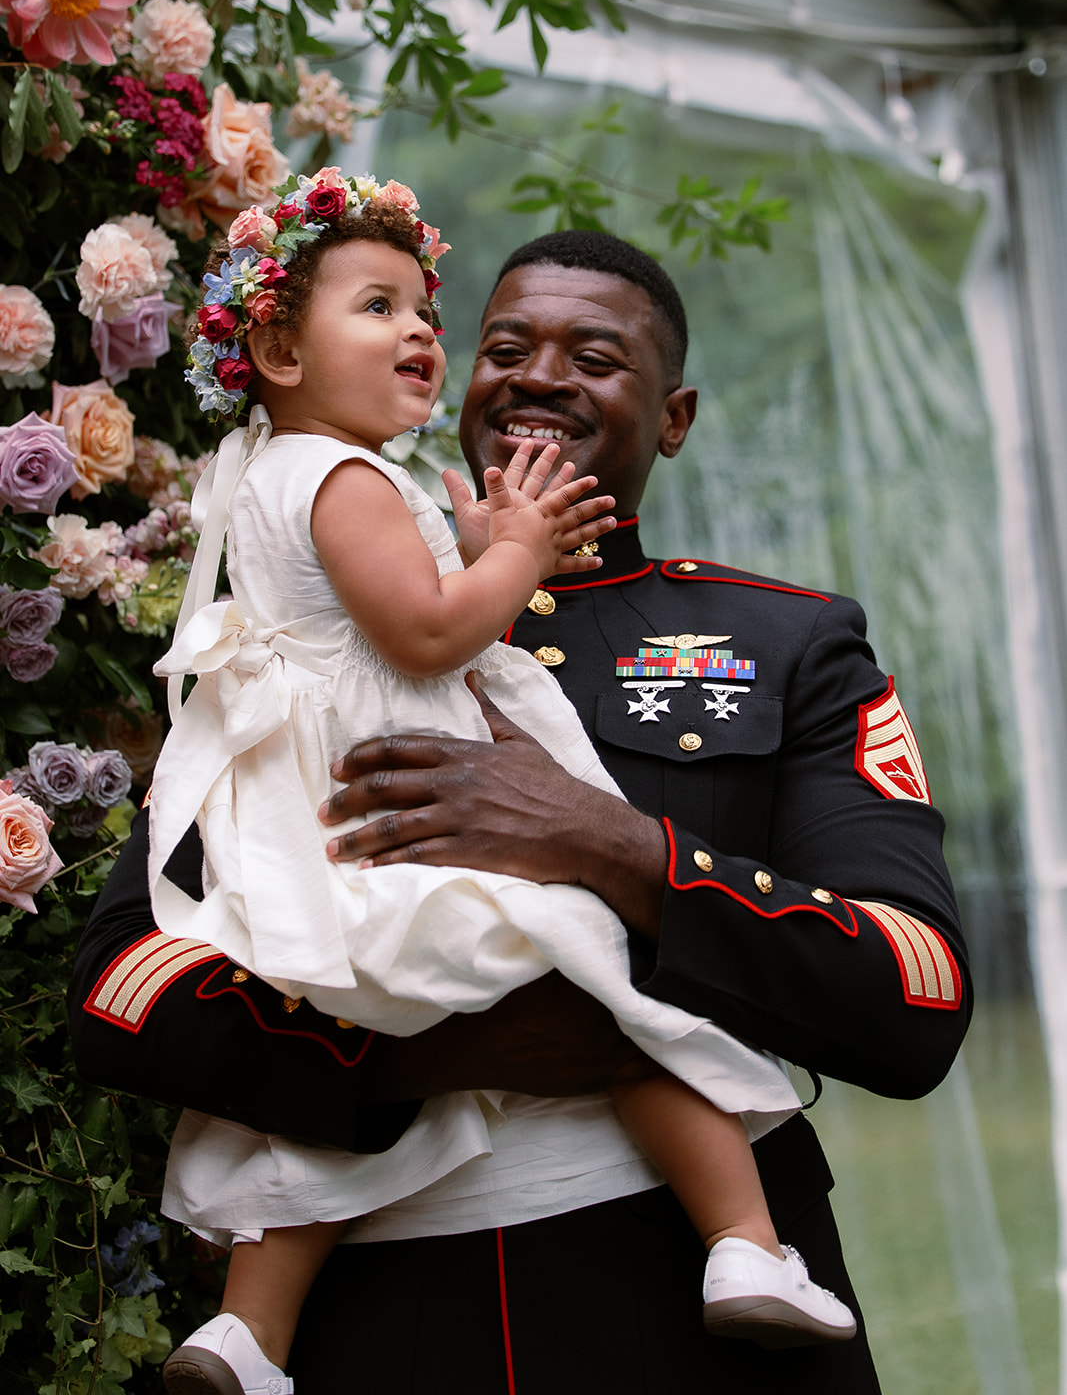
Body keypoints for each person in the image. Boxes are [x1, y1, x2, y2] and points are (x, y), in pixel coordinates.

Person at [69, 226, 971, 1395]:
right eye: (504, 346)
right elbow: (119, 983)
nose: (538, 375)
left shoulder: (788, 641)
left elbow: (915, 990)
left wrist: (602, 842)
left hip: (687, 1330)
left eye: (594, 356)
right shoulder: (303, 646)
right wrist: (434, 1041)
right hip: (374, 1322)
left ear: (675, 415)